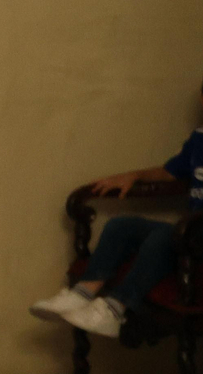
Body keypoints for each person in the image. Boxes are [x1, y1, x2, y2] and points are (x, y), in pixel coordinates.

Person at [30, 85, 203, 338]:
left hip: (194, 232)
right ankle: (82, 294)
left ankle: (115, 307)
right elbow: (170, 172)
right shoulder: (199, 139)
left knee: (165, 238)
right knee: (120, 226)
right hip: (191, 231)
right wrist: (134, 176)